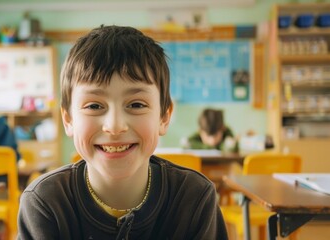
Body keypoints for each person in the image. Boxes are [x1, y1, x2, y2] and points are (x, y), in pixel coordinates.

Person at [17, 25, 228, 239]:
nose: (115, 126)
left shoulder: (194, 198)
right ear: (68, 119)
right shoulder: (46, 202)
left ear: (164, 117)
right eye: (94, 106)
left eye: (136, 104)